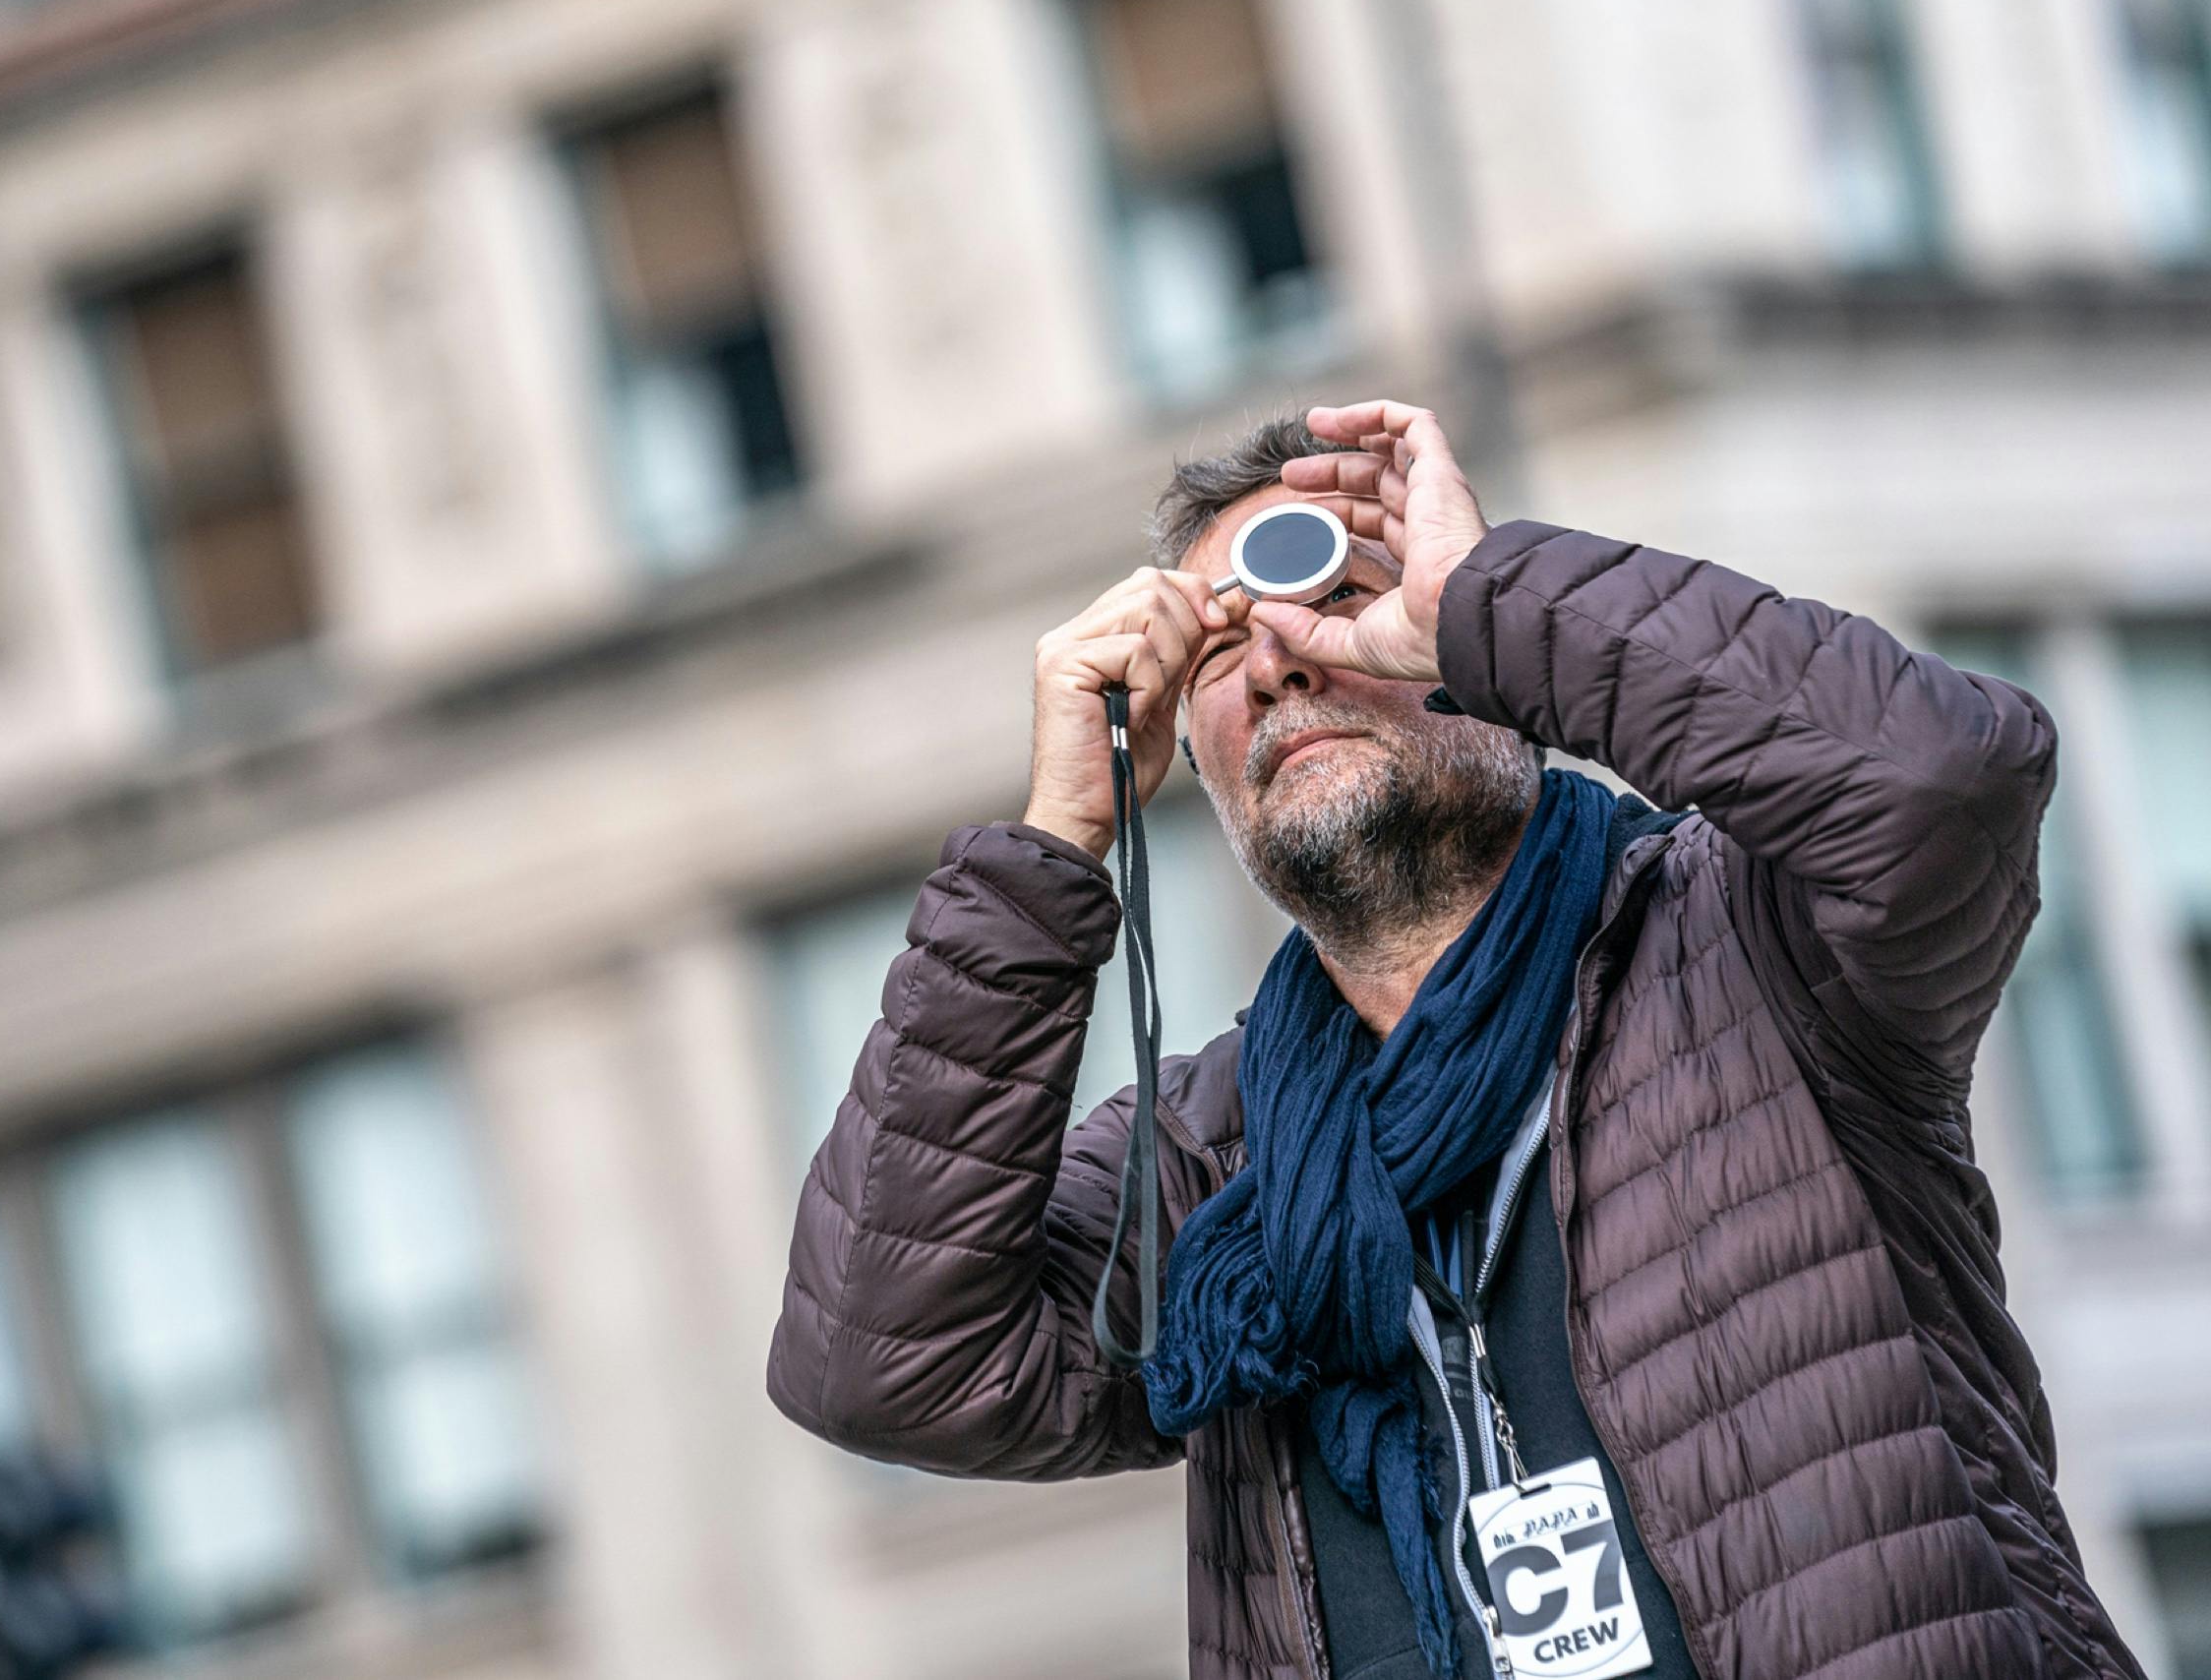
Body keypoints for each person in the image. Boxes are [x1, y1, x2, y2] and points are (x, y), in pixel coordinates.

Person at [766, 401, 2148, 1680]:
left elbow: (1941, 778)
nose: (1286, 659)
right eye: (1219, 656)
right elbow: (880, 1360)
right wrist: (1052, 843)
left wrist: (1493, 600)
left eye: (1345, 602)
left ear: (1490, 671)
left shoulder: (1752, 947)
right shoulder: (1207, 1162)